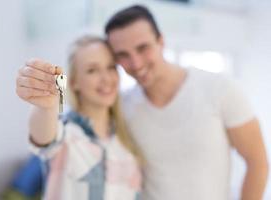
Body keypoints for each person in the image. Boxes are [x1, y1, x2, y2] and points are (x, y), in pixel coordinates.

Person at [104, 4, 269, 200]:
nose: (136, 63)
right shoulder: (122, 106)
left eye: (143, 48)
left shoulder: (219, 89)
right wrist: (59, 93)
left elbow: (257, 162)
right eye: (123, 55)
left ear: (161, 41)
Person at [16, 35, 143, 200]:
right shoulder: (65, 132)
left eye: (111, 67)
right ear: (74, 82)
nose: (106, 78)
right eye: (92, 70)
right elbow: (44, 137)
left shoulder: (127, 138)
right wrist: (45, 107)